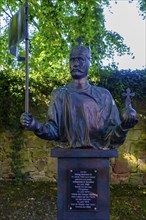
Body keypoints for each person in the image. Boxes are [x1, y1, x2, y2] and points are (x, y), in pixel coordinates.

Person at [20, 39, 138, 149]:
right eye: (72, 59)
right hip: (68, 158)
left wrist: (123, 127)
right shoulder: (59, 95)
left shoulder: (104, 96)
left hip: (96, 160)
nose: (75, 64)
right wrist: (35, 125)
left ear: (89, 62)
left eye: (80, 59)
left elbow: (111, 137)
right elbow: (53, 131)